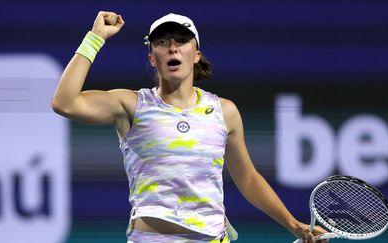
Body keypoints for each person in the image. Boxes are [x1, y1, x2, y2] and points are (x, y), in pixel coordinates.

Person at [52, 11, 329, 243]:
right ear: (152, 58)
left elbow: (247, 178)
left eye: (182, 41)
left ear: (196, 54)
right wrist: (95, 37)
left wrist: (294, 225)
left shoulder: (225, 111)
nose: (173, 47)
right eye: (162, 42)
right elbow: (64, 103)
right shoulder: (132, 104)